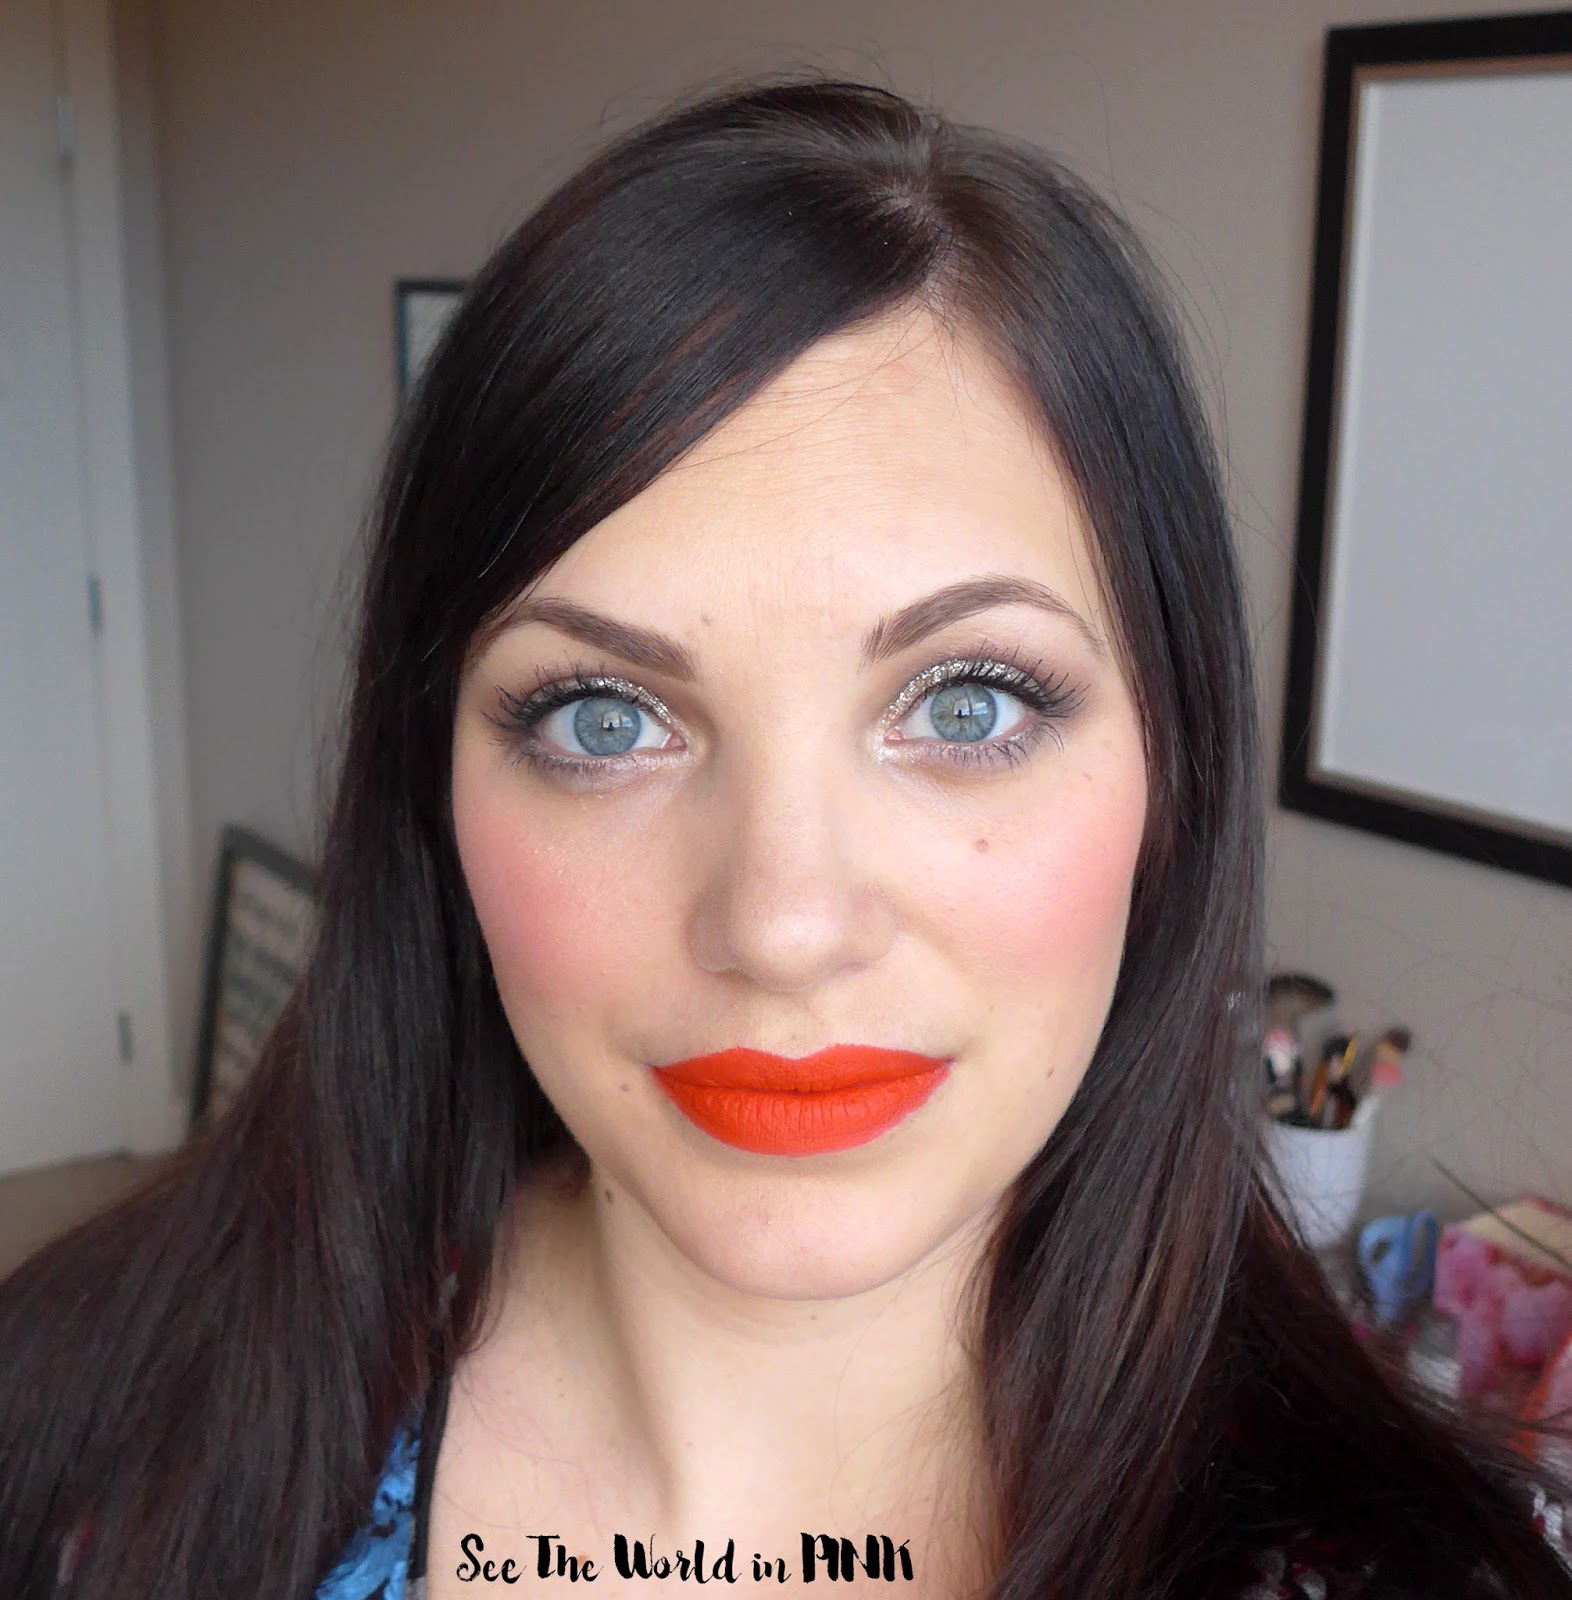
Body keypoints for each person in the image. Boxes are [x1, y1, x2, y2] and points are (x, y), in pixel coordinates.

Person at [2, 73, 1569, 1600]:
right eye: (602, 719)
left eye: (967, 704)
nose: (783, 922)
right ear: (436, 793)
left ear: (1176, 769)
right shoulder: (79, 1455)